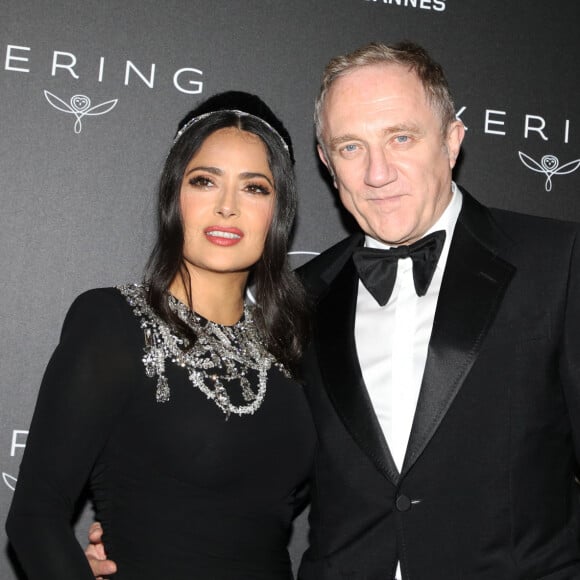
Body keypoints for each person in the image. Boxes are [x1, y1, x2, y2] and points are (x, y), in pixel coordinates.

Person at [88, 41, 580, 579]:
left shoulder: (556, 264)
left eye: (401, 137)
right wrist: (140, 531)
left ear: (452, 140)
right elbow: (261, 474)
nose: (377, 173)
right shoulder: (300, 296)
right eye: (350, 147)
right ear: (326, 161)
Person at [5, 91, 316, 580]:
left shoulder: (293, 346)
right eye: (204, 181)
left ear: (279, 212)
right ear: (175, 193)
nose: (227, 207)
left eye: (255, 187)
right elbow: (34, 517)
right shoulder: (112, 322)